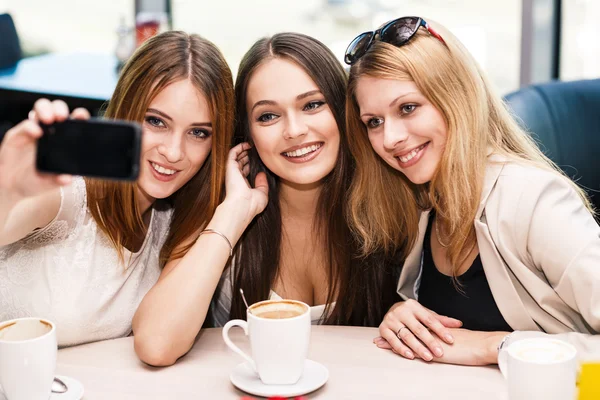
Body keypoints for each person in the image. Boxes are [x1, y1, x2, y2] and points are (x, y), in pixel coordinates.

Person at [344, 16, 600, 365]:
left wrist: (496, 346)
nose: (390, 139)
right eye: (374, 122)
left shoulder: (535, 201)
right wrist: (405, 320)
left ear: (456, 98)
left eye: (408, 108)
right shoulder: (420, 204)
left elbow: (480, 345)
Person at [135, 32, 400, 366]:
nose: (294, 130)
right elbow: (156, 345)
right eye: (268, 116)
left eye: (312, 105)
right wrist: (234, 213)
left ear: (344, 108)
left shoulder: (392, 201)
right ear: (249, 132)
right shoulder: (220, 203)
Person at [0, 31, 247, 349]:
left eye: (198, 132)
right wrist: (9, 187)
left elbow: (159, 344)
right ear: (125, 110)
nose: (173, 152)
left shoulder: (175, 220)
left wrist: (234, 209)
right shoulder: (66, 195)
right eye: (156, 122)